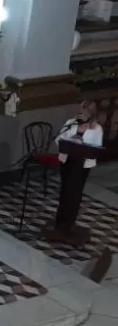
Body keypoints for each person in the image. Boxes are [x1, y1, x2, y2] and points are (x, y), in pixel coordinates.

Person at [52, 101, 104, 236]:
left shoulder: (97, 128)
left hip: (82, 164)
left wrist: (82, 143)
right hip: (67, 160)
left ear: (90, 114)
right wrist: (70, 140)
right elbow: (58, 139)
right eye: (79, 111)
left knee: (74, 193)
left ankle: (69, 224)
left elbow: (97, 148)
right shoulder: (71, 123)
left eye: (83, 112)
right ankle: (59, 222)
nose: (79, 114)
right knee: (64, 191)